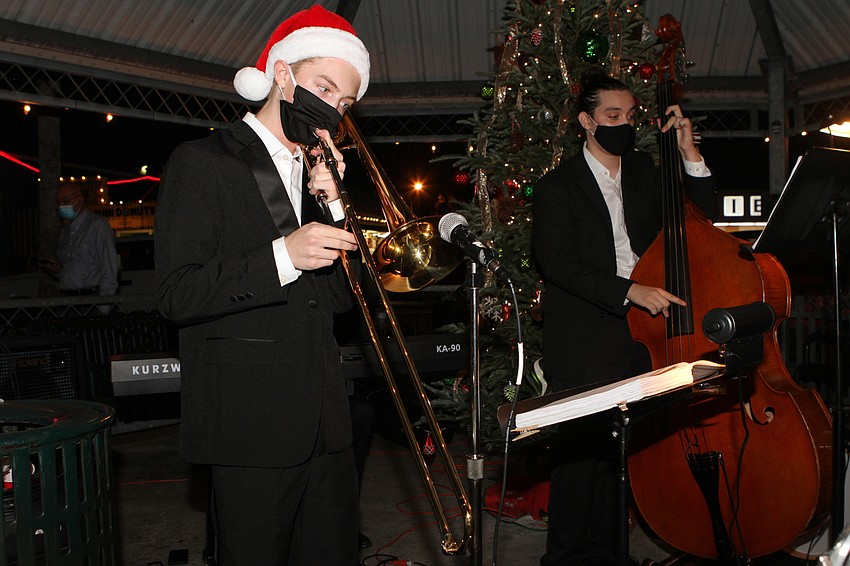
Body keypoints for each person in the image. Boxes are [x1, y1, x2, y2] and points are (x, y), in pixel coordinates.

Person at [154, 5, 369, 565]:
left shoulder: (321, 176)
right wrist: (283, 255)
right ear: (281, 75)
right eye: (324, 87)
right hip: (251, 421)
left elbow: (344, 301)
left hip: (326, 422)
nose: (333, 109)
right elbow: (177, 293)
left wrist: (335, 209)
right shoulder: (203, 160)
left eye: (344, 103)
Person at [531, 70, 717, 566]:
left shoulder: (643, 172)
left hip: (645, 331)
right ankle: (566, 558)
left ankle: (612, 555)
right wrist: (631, 289)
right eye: (612, 116)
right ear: (586, 122)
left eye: (630, 116)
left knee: (621, 453)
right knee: (579, 456)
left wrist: (688, 153)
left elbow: (698, 221)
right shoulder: (557, 187)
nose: (624, 124)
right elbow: (559, 263)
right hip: (589, 330)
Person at [41, 183, 118, 296]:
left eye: (66, 201)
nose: (61, 206)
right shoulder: (66, 231)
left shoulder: (97, 225)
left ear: (80, 201)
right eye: (58, 203)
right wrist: (57, 271)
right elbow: (70, 270)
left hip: (91, 298)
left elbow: (109, 269)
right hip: (68, 300)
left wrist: (103, 307)